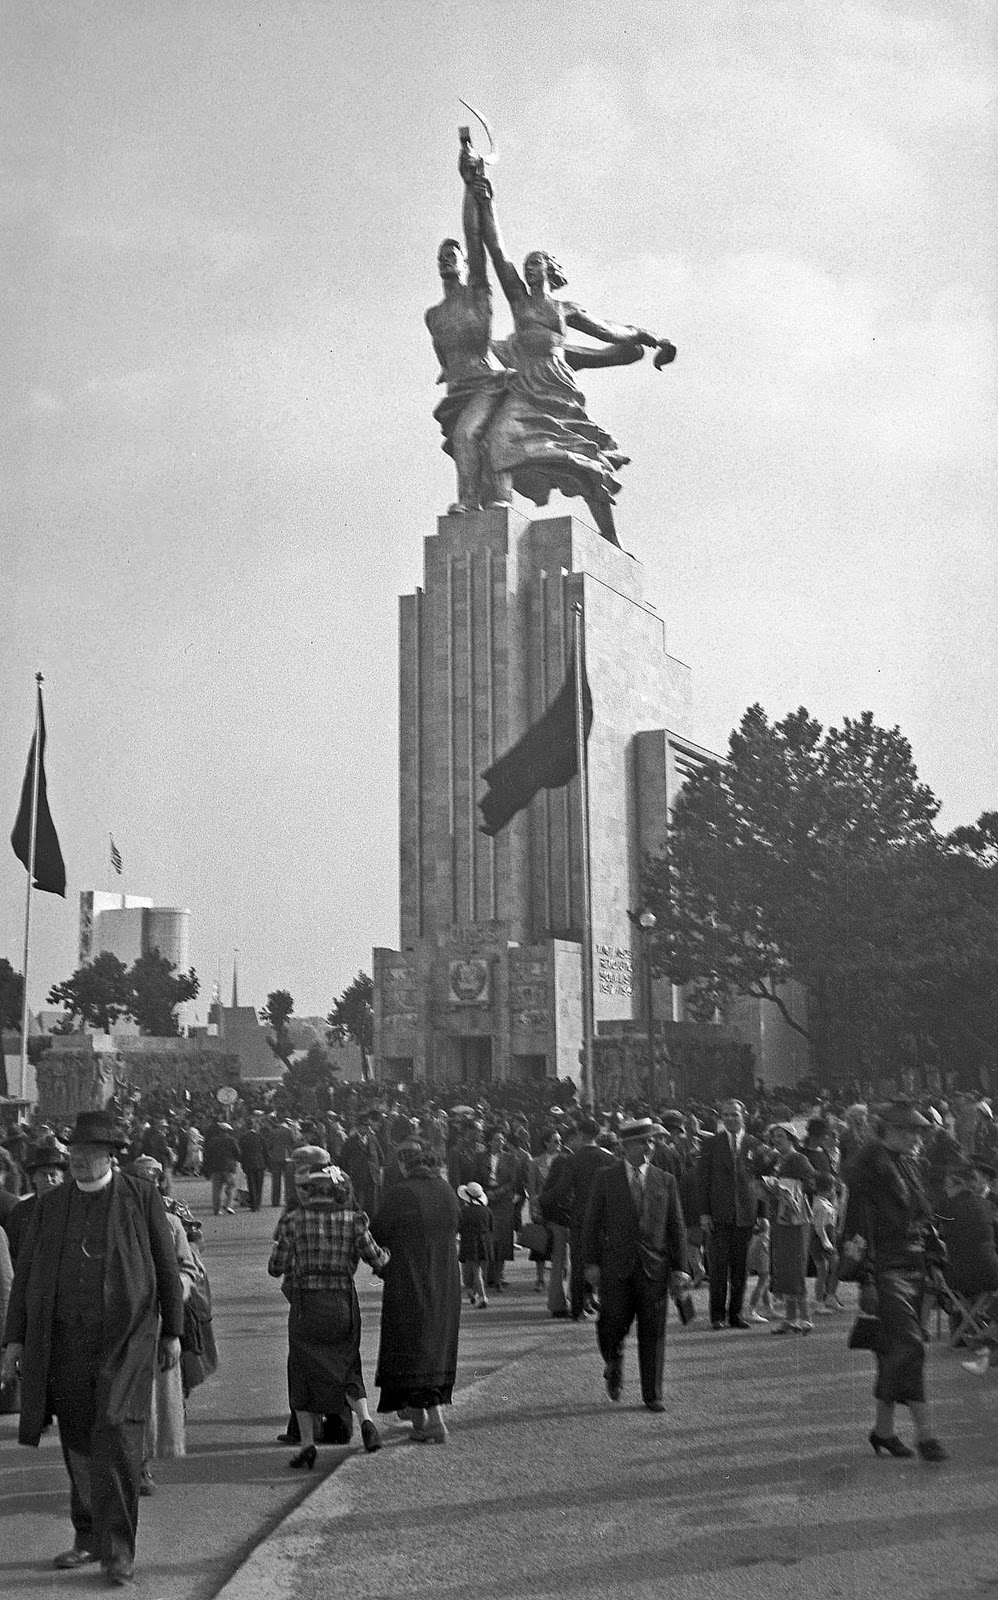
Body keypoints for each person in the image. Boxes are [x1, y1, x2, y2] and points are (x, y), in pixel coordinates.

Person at [0, 1108, 183, 1586]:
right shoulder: (49, 1204)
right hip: (63, 1343)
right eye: (74, 1153)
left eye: (89, 1154)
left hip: (126, 1342)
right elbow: (26, 1279)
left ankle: (118, 1551)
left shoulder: (140, 1197)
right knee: (79, 1442)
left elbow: (166, 1266)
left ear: (110, 1156)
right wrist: (15, 1339)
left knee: (119, 1439)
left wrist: (173, 1332)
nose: (79, 1161)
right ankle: (88, 1536)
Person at [468, 168, 675, 548]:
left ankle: (610, 537)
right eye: (527, 264)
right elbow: (496, 250)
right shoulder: (519, 300)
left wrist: (652, 338)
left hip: (557, 389)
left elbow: (615, 333)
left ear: (549, 270)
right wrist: (484, 200)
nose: (529, 268)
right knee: (499, 442)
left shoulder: (566, 309)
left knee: (583, 459)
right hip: (524, 386)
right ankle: (500, 524)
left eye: (536, 263)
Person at [843, 1100, 949, 1461]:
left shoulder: (908, 1164)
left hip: (914, 1268)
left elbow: (924, 1217)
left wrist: (934, 1257)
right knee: (909, 1347)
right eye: (907, 1130)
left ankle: (883, 1431)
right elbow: (858, 1230)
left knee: (894, 1351)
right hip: (886, 1271)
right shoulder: (866, 1173)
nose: (915, 1137)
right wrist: (866, 1278)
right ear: (884, 1130)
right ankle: (926, 1435)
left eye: (917, 1130)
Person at [268, 1149, 387, 1468]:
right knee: (348, 1363)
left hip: (307, 1303)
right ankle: (365, 1421)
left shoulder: (293, 1221)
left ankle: (307, 1443)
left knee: (303, 1369)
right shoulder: (354, 1220)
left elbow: (275, 1268)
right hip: (342, 1301)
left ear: (310, 1191)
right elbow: (377, 1260)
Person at [581, 1118, 689, 1412]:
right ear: (626, 1146)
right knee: (610, 1325)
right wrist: (590, 1263)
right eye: (644, 1141)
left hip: (654, 1268)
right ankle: (613, 1361)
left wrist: (681, 1268)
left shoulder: (665, 1180)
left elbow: (676, 1226)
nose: (650, 1146)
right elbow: (590, 1224)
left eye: (653, 1141)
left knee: (653, 1331)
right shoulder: (606, 1178)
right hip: (615, 1267)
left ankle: (652, 1394)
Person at [426, 131, 508, 512]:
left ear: (461, 264)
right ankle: (491, 499)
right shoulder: (434, 316)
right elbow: (443, 359)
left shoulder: (477, 291)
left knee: (466, 434)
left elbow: (475, 238)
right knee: (473, 443)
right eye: (442, 255)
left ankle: (468, 502)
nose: (447, 258)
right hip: (458, 388)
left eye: (452, 255)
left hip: (486, 383)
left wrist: (468, 186)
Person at [372, 1141, 462, 1444]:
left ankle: (433, 1421)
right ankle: (418, 1417)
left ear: (402, 1164)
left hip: (410, 1279)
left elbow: (377, 1232)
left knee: (412, 1345)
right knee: (434, 1346)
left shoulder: (401, 1193)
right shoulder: (446, 1189)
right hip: (445, 1279)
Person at [697, 1099, 760, 1330]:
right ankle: (717, 1315)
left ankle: (735, 1314)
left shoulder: (754, 1144)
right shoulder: (711, 1144)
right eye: (726, 1115)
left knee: (740, 1269)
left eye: (735, 1114)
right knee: (718, 1268)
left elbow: (761, 1183)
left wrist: (761, 1214)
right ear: (721, 1118)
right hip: (719, 1215)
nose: (731, 1119)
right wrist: (704, 1213)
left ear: (744, 1115)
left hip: (745, 1214)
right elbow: (702, 1181)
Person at [760, 1123, 817, 1334]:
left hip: (796, 1219)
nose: (777, 1139)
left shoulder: (799, 1159)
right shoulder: (776, 1159)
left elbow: (812, 1183)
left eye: (781, 1136)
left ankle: (806, 1317)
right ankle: (790, 1317)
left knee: (795, 1267)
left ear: (791, 1138)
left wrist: (789, 1185)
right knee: (783, 1267)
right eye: (774, 1136)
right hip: (780, 1218)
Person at [4, 1134, 68, 1266]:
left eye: (53, 1175)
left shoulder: (71, 1207)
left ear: (61, 1179)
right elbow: (11, 1250)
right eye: (43, 1175)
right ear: (34, 1178)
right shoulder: (21, 1210)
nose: (49, 1180)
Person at [483, 1127, 520, 1292]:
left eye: (502, 1139)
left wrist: (497, 1192)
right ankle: (488, 1277)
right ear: (490, 1141)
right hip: (485, 1200)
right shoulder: (480, 1158)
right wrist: (484, 1193)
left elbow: (513, 1181)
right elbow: (475, 1177)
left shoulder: (511, 1158)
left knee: (503, 1240)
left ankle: (499, 1277)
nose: (501, 1142)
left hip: (503, 1202)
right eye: (497, 1139)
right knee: (488, 1239)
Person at [339, 1113, 385, 1218]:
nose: (369, 1128)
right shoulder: (350, 1141)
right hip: (358, 1179)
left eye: (369, 1125)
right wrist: (349, 1175)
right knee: (359, 1205)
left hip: (372, 1178)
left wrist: (378, 1173)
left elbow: (381, 1157)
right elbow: (343, 1160)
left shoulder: (373, 1139)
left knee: (373, 1206)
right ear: (359, 1126)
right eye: (365, 1125)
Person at [457, 1181, 492, 1308]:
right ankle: (474, 1293)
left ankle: (482, 1296)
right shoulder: (487, 1210)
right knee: (480, 1270)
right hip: (485, 1242)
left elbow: (459, 1228)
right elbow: (491, 1227)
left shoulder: (464, 1211)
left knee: (474, 1270)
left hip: (470, 1243)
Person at [203, 1120, 240, 1215]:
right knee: (231, 1186)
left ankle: (216, 1209)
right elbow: (237, 1153)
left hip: (216, 1167)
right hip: (229, 1167)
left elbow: (207, 1154)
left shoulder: (212, 1141)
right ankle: (228, 1205)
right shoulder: (231, 1140)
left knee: (216, 1189)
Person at [239, 1117, 267, 1213]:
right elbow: (265, 1150)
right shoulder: (259, 1136)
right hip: (260, 1163)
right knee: (259, 1185)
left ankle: (254, 1204)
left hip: (249, 1163)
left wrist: (242, 1162)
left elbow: (241, 1152)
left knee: (251, 1184)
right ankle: (258, 1204)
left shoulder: (243, 1137)